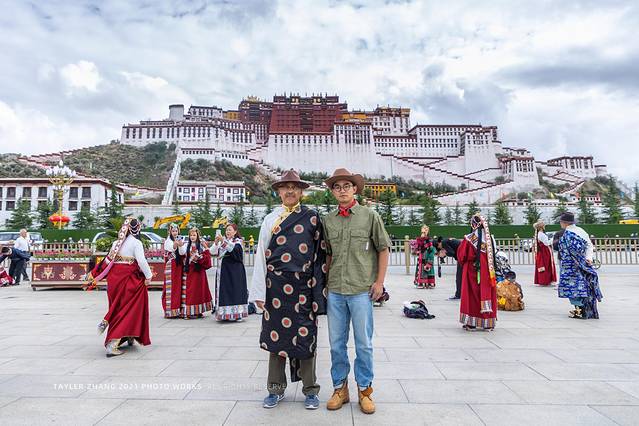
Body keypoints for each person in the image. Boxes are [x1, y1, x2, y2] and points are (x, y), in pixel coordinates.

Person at [249, 169, 327, 410]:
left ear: (301, 191)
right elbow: (261, 257)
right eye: (286, 187)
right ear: (279, 192)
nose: (290, 191)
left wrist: (319, 294)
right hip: (276, 289)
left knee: (307, 339)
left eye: (295, 187)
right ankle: (275, 389)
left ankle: (311, 390)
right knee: (276, 340)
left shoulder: (313, 218)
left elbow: (320, 257)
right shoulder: (270, 220)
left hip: (304, 288)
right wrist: (259, 293)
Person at [323, 168, 391, 415]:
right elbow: (328, 254)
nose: (342, 190)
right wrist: (325, 284)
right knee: (336, 344)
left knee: (363, 344)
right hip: (335, 291)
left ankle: (365, 390)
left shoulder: (370, 216)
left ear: (355, 189)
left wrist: (379, 282)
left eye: (346, 186)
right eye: (337, 187)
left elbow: (383, 249)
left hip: (362, 290)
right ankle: (340, 389)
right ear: (333, 192)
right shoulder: (328, 220)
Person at [88, 218, 152, 357]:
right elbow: (141, 261)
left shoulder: (116, 243)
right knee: (128, 309)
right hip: (128, 279)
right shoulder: (136, 243)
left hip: (114, 279)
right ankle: (113, 343)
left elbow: (107, 262)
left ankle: (128, 335)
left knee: (117, 308)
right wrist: (149, 276)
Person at [557, 212, 603, 319]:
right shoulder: (581, 231)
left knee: (572, 288)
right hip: (583, 263)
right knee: (583, 286)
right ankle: (583, 309)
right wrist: (589, 258)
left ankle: (580, 310)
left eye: (561, 222)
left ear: (564, 223)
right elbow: (589, 245)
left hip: (570, 265)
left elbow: (562, 249)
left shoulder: (567, 234)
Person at [457, 214, 498, 331]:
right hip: (488, 272)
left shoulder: (470, 238)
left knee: (472, 296)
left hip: (473, 271)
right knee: (487, 294)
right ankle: (488, 323)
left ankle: (471, 323)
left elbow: (462, 255)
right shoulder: (491, 239)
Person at [210, 223, 248, 321]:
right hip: (223, 271)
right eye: (227, 230)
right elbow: (212, 252)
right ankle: (224, 314)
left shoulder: (238, 241)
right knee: (224, 291)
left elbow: (234, 250)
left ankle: (237, 314)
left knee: (235, 291)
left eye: (230, 230)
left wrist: (223, 241)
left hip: (235, 271)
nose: (228, 232)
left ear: (235, 232)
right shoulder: (222, 241)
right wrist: (216, 243)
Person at [178, 228, 214, 319]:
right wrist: (180, 246)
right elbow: (182, 253)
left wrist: (202, 253)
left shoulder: (201, 245)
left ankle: (198, 311)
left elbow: (207, 257)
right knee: (191, 291)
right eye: (191, 235)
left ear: (197, 236)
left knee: (199, 292)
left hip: (199, 271)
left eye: (194, 235)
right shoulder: (186, 245)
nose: (192, 237)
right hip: (190, 271)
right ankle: (189, 312)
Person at [162, 224, 184, 318]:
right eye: (173, 231)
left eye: (176, 231)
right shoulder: (168, 241)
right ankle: (170, 311)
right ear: (170, 232)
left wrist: (180, 245)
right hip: (171, 266)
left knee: (178, 287)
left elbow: (182, 252)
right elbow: (171, 248)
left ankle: (177, 310)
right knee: (170, 288)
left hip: (178, 266)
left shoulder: (180, 240)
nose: (175, 233)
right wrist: (176, 244)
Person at [533, 220, 557, 286]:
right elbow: (547, 243)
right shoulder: (541, 234)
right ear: (542, 227)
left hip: (543, 252)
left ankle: (544, 280)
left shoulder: (539, 234)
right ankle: (546, 280)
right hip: (545, 252)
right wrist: (553, 239)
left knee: (544, 265)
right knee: (547, 265)